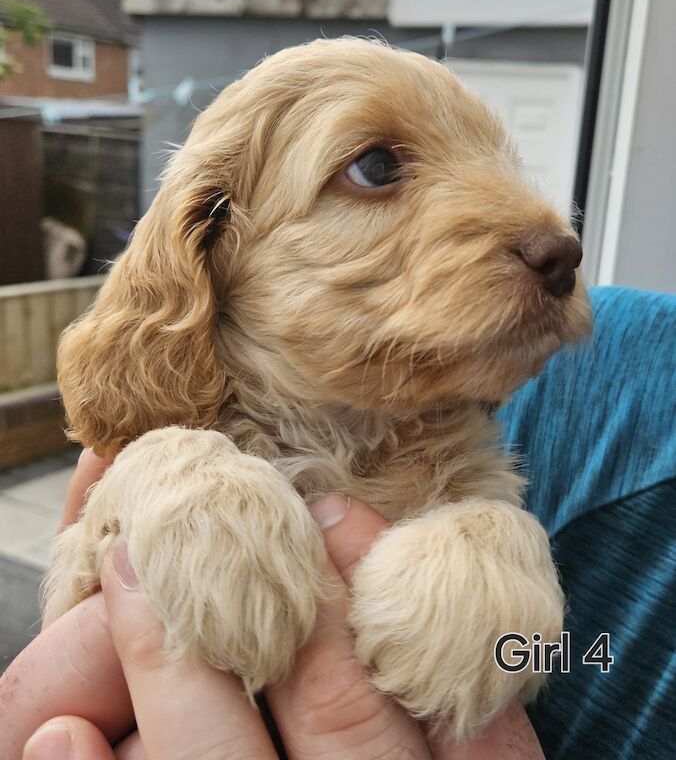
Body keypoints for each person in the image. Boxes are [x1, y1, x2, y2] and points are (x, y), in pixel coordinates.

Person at [1, 286, 674, 758]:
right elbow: (584, 657)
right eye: (378, 170)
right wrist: (169, 468)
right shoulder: (597, 374)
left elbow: (562, 657)